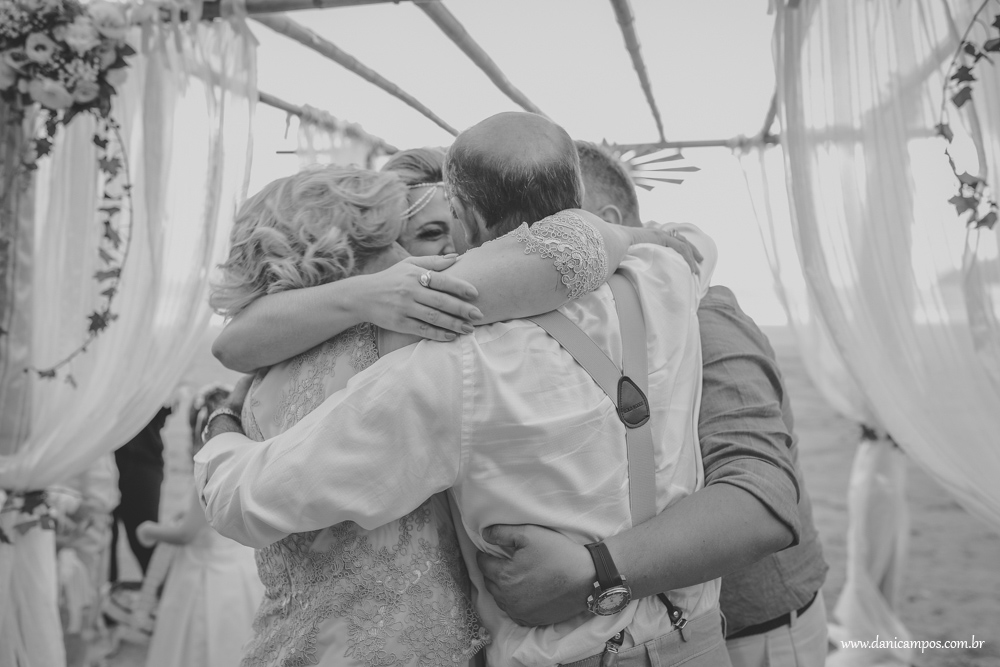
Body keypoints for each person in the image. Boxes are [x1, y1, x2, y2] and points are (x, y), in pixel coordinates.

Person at [195, 112, 746, 666]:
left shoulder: (415, 365)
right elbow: (688, 240)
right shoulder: (663, 271)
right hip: (693, 642)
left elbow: (249, 496)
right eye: (409, 238)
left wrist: (219, 432)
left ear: (468, 217)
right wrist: (626, 234)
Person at [475, 142, 828, 667]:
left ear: (609, 223)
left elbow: (762, 501)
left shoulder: (702, 314)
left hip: (757, 629)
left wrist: (590, 570)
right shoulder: (579, 332)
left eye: (559, 232)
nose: (538, 255)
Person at [135, 384, 263, 667]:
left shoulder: (207, 471)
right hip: (241, 569)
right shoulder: (243, 463)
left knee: (195, 643)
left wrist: (149, 530)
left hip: (203, 575)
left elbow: (186, 533)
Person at [110, 406, 171, 581]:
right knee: (102, 542)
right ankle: (105, 597)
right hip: (99, 459)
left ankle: (155, 598)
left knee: (145, 540)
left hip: (143, 457)